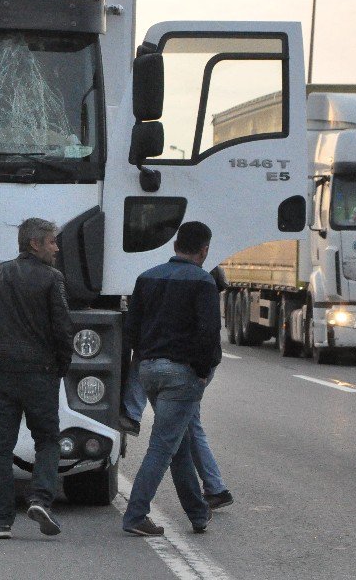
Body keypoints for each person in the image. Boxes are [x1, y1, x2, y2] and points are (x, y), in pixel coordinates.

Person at [0, 218, 74, 540]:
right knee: (47, 439)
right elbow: (62, 328)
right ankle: (41, 498)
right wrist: (62, 364)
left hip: (1, 373)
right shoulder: (51, 279)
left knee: (1, 447)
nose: (56, 249)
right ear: (35, 244)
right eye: (52, 242)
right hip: (40, 372)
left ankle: (1, 522)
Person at [121, 221, 221, 536]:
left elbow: (131, 330)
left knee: (178, 443)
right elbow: (208, 333)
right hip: (182, 375)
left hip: (148, 370)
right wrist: (203, 372)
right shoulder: (203, 281)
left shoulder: (146, 277)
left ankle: (198, 514)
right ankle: (135, 515)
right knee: (163, 446)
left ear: (174, 245)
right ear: (204, 250)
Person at [119, 267, 234, 510]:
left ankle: (138, 511)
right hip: (191, 367)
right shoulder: (197, 275)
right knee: (187, 430)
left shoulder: (170, 274)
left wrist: (201, 371)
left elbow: (207, 331)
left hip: (187, 367)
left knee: (167, 443)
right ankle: (211, 493)